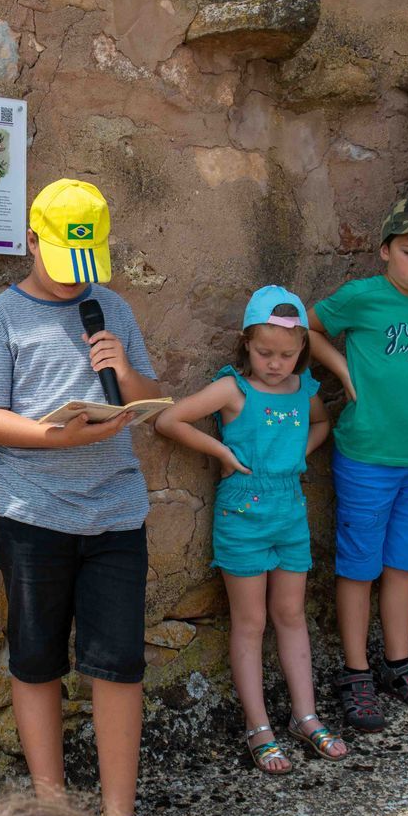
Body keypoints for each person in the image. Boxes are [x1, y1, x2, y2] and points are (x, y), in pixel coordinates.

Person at [0, 178, 163, 816]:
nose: (79, 283)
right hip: (32, 517)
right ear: (32, 241)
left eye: (88, 268)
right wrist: (57, 436)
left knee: (118, 664)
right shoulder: (4, 316)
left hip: (116, 515)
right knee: (37, 660)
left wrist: (124, 374)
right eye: (64, 264)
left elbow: (148, 393)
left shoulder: (110, 308)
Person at [155, 286, 347, 773]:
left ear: (302, 349)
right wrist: (221, 452)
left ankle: (306, 716)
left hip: (290, 509)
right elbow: (168, 419)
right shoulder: (233, 389)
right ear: (246, 343)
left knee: (291, 614)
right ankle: (258, 725)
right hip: (241, 514)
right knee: (250, 622)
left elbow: (322, 423)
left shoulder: (304, 389)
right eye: (264, 353)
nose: (276, 363)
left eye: (287, 354)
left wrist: (300, 452)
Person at [306, 196, 408, 731]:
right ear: (385, 251)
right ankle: (355, 672)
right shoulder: (362, 296)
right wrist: (343, 373)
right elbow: (305, 327)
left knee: (403, 564)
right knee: (358, 565)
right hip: (367, 454)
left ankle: (400, 665)